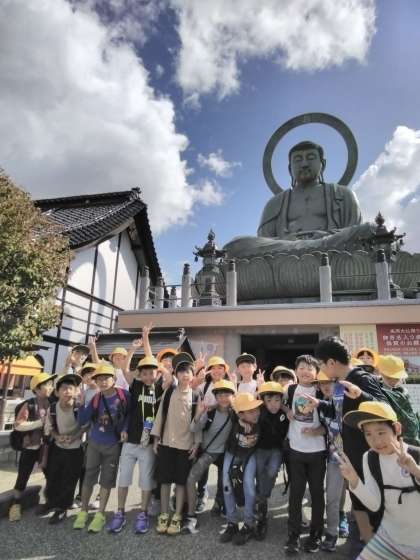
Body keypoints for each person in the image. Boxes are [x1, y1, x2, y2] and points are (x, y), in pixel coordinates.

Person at [314, 336, 385, 547]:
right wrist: (318, 403)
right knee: (357, 501)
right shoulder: (338, 383)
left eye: (321, 364)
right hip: (349, 454)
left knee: (370, 503)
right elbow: (338, 411)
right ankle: (361, 543)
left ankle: (372, 546)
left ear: (331, 362)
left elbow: (385, 409)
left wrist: (361, 394)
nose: (321, 369)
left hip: (366, 456)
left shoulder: (362, 378)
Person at [340, 401, 420, 560]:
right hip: (388, 540)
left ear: (397, 428)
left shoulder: (416, 454)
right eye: (368, 434)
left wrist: (415, 470)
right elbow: (374, 504)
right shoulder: (370, 458)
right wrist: (354, 480)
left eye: (381, 432)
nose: (375, 441)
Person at [107, 355, 165, 534]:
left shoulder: (161, 388)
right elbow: (125, 370)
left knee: (146, 480)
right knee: (124, 478)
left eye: (151, 373)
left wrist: (162, 367)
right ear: (140, 374)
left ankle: (143, 513)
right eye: (144, 373)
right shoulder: (137, 386)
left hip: (148, 444)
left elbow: (171, 379)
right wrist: (133, 348)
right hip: (130, 440)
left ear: (157, 373)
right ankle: (120, 512)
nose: (148, 377)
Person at [73, 363, 130, 533]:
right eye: (99, 379)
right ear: (96, 382)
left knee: (107, 480)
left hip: (113, 445)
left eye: (106, 378)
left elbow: (129, 415)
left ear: (114, 379)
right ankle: (83, 511)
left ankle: (100, 514)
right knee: (89, 477)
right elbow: (82, 420)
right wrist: (80, 405)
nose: (103, 381)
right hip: (94, 443)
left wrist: (125, 429)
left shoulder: (124, 395)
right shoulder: (96, 398)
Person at [151, 352, 201, 536]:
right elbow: (160, 415)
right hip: (166, 443)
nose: (185, 375)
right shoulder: (169, 391)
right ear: (176, 374)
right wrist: (156, 439)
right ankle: (164, 514)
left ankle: (178, 515)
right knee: (164, 481)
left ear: (193, 375)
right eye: (181, 371)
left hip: (185, 446)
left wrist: (196, 444)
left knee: (181, 482)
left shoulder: (196, 395)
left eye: (188, 371)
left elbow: (198, 422)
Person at [282, 355, 327, 555]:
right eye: (301, 367)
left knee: (317, 494)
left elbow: (332, 418)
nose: (305, 371)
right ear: (296, 371)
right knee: (296, 494)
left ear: (317, 373)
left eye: (310, 368)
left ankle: (316, 534)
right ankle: (293, 535)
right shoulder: (290, 389)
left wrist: (319, 431)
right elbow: (279, 403)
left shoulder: (321, 391)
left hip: (317, 452)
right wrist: (287, 410)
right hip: (296, 450)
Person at [183, 379, 236, 534]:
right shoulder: (210, 412)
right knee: (191, 479)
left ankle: (221, 505)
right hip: (207, 452)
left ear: (233, 396)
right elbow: (194, 428)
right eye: (220, 395)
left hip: (224, 453)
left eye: (227, 395)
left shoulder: (235, 414)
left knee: (224, 481)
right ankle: (191, 515)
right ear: (215, 397)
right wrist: (199, 414)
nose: (223, 398)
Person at [8, 372, 57, 522]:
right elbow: (18, 425)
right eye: (46, 385)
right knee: (23, 476)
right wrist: (39, 423)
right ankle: (15, 505)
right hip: (30, 447)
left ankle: (49, 502)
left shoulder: (53, 403)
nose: (50, 388)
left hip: (46, 447)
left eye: (51, 385)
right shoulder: (29, 404)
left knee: (51, 475)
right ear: (36, 389)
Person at [220, 392, 262, 546]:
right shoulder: (234, 417)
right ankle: (232, 523)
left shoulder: (261, 418)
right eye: (250, 411)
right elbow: (231, 405)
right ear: (241, 413)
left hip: (250, 455)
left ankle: (249, 524)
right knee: (226, 484)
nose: (256, 413)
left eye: (256, 409)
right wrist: (239, 419)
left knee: (249, 486)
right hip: (232, 453)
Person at [315, 372, 348, 552]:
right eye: (322, 383)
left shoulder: (346, 400)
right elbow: (327, 427)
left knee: (351, 494)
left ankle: (344, 518)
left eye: (330, 382)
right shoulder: (321, 404)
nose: (326, 386)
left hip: (355, 457)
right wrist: (314, 431)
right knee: (333, 495)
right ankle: (332, 532)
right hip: (335, 456)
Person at [44, 373, 84, 524]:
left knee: (69, 478)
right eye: (64, 389)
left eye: (70, 388)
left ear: (76, 392)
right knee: (53, 475)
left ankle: (62, 508)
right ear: (57, 392)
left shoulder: (79, 408)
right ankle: (51, 502)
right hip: (58, 446)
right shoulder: (52, 408)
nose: (67, 391)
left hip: (75, 448)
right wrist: (57, 436)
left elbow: (86, 426)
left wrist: (74, 437)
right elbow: (50, 427)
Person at [255, 381, 288, 540]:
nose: (273, 404)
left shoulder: (284, 413)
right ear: (263, 401)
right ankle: (262, 502)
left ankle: (263, 497)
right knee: (260, 473)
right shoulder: (259, 412)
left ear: (282, 400)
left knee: (272, 470)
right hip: (260, 449)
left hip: (276, 449)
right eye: (269, 401)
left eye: (277, 400)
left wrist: (286, 409)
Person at [377, 354, 420, 446]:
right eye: (389, 377)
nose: (393, 381)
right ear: (381, 373)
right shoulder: (376, 391)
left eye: (396, 378)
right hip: (388, 440)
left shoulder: (402, 392)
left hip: (407, 441)